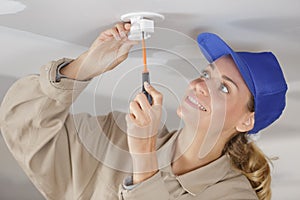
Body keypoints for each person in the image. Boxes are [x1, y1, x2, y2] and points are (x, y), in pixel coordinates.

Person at [0, 22, 287, 200]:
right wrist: (84, 67)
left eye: (224, 88)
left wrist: (143, 156)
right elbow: (22, 127)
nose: (200, 85)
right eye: (205, 73)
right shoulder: (117, 134)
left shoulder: (233, 197)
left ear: (246, 121)